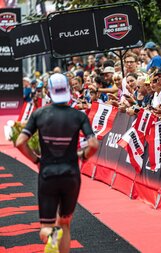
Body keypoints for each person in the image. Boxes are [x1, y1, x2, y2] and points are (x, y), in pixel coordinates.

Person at [15, 73, 99, 253]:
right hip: (71, 174)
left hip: (48, 174)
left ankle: (51, 234)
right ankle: (57, 235)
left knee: (47, 227)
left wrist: (36, 160)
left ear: (49, 92)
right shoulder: (79, 116)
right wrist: (82, 156)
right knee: (65, 223)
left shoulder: (39, 114)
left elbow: (20, 142)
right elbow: (93, 144)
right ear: (68, 90)